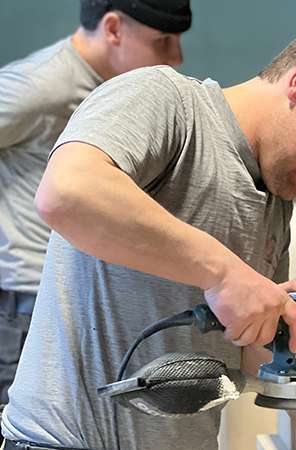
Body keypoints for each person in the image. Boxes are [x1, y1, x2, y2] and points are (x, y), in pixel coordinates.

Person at [2, 16, 296, 450]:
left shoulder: (276, 198)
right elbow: (67, 193)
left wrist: (283, 321)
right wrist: (225, 274)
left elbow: (246, 358)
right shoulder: (165, 102)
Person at [0, 0, 190, 415]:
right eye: (163, 40)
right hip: (31, 305)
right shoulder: (43, 84)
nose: (177, 57)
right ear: (113, 28)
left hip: (85, 299)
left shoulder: (118, 89)